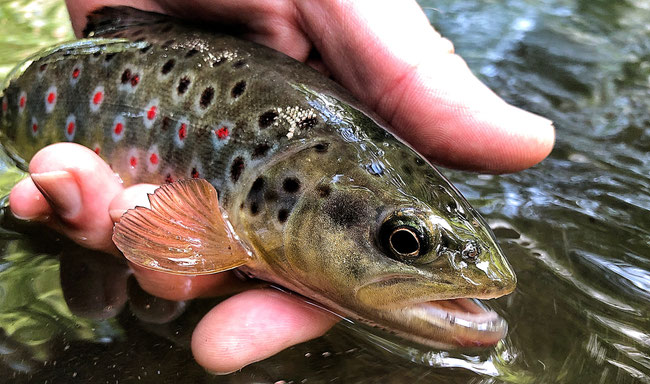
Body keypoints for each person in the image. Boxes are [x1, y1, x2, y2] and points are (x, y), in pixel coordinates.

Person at [9, 0, 554, 374]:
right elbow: (163, 233)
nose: (474, 283)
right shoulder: (262, 198)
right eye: (403, 242)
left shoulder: (307, 164)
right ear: (281, 199)